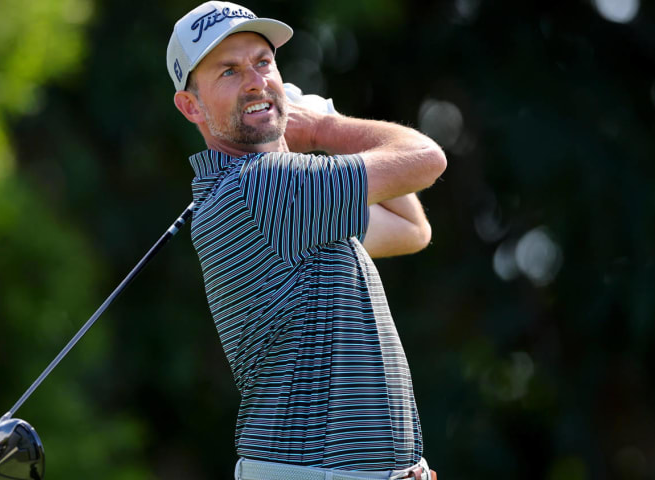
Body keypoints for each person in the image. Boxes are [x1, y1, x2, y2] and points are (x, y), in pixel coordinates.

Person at [167, 2, 446, 479]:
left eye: (262, 61)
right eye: (229, 71)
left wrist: (310, 145)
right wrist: (323, 128)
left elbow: (411, 228)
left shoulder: (288, 199)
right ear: (192, 106)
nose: (256, 81)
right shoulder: (265, 187)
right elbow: (427, 158)